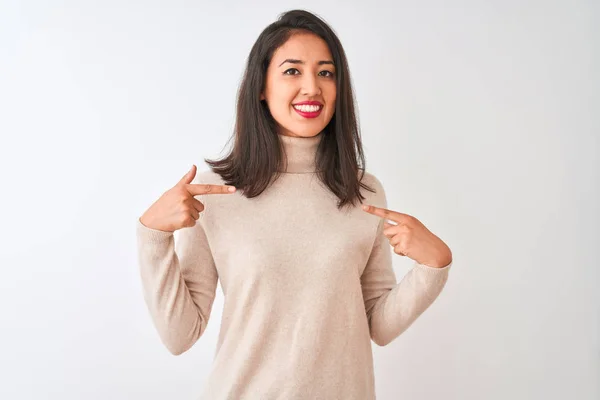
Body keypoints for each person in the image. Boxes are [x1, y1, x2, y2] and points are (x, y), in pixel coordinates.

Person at [136, 9, 453, 400]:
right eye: (292, 71)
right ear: (261, 87)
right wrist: (153, 235)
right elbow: (180, 335)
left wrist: (433, 266)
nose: (312, 88)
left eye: (326, 72)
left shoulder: (363, 192)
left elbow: (379, 326)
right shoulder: (216, 192)